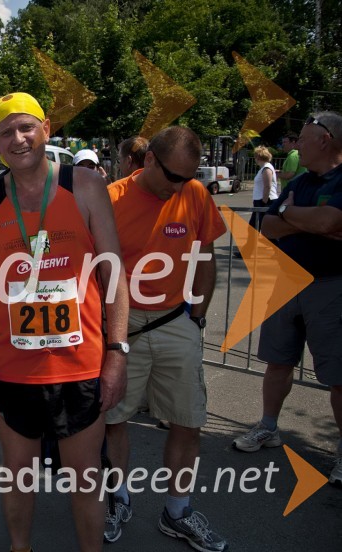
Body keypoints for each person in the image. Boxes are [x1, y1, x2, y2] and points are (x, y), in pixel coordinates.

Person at [0, 92, 128, 552]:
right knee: (19, 477)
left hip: (81, 364)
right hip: (13, 368)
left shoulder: (85, 186)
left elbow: (113, 274)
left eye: (26, 127)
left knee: (85, 478)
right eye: (5, 132)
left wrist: (117, 354)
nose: (18, 139)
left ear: (46, 128)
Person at [104, 126, 228, 551]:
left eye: (188, 177)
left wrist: (198, 317)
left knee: (188, 420)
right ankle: (117, 497)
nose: (180, 186)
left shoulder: (194, 193)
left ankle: (177, 510)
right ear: (150, 160)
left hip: (177, 319)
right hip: (123, 323)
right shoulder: (112, 198)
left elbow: (207, 258)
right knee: (114, 418)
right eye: (173, 176)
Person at [232, 111, 342, 487]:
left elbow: (329, 222)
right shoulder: (303, 181)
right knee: (277, 361)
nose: (293, 145)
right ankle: (268, 427)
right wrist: (303, 218)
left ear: (325, 140)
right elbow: (270, 226)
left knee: (337, 376)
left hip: (330, 287)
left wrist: (291, 214)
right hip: (287, 282)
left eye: (303, 138)